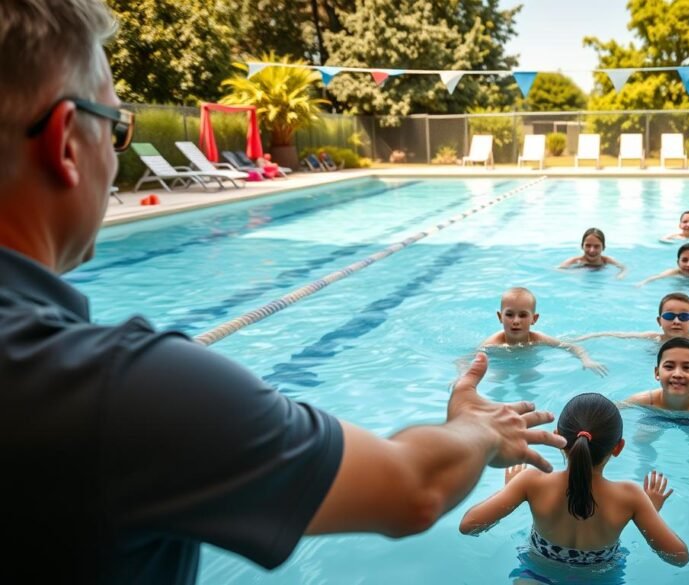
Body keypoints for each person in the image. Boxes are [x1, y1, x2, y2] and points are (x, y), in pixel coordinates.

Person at [0, 2, 565, 582]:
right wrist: (475, 428)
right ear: (68, 141)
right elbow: (410, 488)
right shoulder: (117, 389)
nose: (115, 158)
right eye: (118, 128)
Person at [459, 393, 689, 568]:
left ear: (558, 437)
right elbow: (679, 558)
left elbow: (468, 526)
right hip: (601, 579)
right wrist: (650, 511)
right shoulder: (631, 497)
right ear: (618, 447)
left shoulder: (531, 482)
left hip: (537, 574)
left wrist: (510, 489)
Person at [481, 287, 608, 377]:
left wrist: (586, 360)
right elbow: (467, 359)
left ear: (534, 319)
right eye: (509, 314)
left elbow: (572, 347)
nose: (516, 321)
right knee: (498, 379)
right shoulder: (492, 343)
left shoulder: (538, 339)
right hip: (501, 366)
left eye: (523, 315)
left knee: (530, 377)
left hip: (526, 365)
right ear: (500, 317)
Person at [570, 292, 689, 343]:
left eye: (684, 316)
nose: (676, 321)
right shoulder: (653, 338)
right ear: (659, 321)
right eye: (669, 316)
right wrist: (584, 338)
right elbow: (617, 335)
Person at [557, 227, 627, 279]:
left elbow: (624, 268)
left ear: (603, 247)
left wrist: (620, 275)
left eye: (596, 246)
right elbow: (558, 269)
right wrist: (573, 272)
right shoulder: (575, 261)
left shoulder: (606, 260)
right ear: (582, 246)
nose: (592, 250)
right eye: (588, 246)